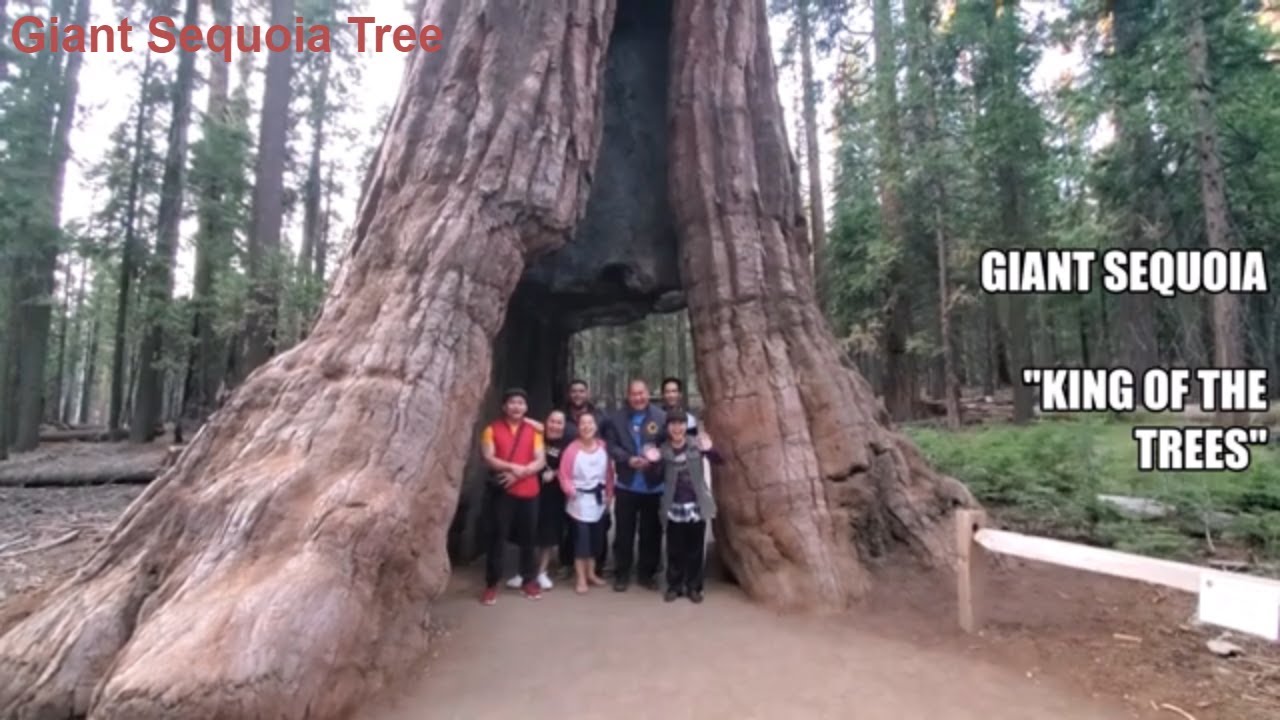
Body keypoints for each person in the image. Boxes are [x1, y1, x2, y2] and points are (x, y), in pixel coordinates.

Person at [478, 388, 546, 605]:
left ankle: (529, 580)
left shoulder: (534, 431)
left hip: (529, 491)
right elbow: (488, 457)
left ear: (526, 408)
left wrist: (521, 473)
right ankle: (491, 584)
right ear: (504, 407)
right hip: (502, 492)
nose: (516, 406)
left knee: (529, 538)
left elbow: (540, 460)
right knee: (497, 537)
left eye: (521, 403)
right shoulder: (492, 429)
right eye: (512, 403)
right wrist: (512, 467)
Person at [602, 379, 668, 592]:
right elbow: (611, 445)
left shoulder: (661, 417)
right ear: (628, 396)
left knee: (651, 532)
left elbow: (669, 444)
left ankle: (646, 574)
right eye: (634, 394)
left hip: (654, 485)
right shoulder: (616, 419)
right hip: (627, 484)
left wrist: (656, 457)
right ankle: (622, 573)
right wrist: (627, 459)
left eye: (642, 393)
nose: (638, 398)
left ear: (648, 393)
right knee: (624, 532)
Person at [658, 410, 722, 603]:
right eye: (672, 424)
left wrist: (710, 449)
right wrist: (651, 463)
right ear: (667, 427)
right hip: (673, 505)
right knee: (674, 549)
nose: (677, 428)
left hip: (696, 504)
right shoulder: (663, 449)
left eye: (681, 424)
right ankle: (674, 586)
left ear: (687, 426)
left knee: (695, 549)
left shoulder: (697, 445)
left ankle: (694, 587)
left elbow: (720, 460)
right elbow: (654, 476)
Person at [506, 409, 569, 591]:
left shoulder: (567, 443)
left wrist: (555, 473)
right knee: (526, 530)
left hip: (553, 493)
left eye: (559, 422)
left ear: (564, 426)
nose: (555, 426)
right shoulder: (534, 435)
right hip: (529, 488)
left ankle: (542, 572)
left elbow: (572, 465)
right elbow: (520, 418)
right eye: (552, 421)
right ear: (545, 422)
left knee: (548, 533)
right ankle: (523, 571)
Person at [557, 410, 615, 593]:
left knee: (595, 540)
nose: (587, 427)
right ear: (578, 427)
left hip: (598, 500)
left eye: (590, 423)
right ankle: (580, 577)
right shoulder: (571, 450)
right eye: (583, 423)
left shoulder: (604, 447)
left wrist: (609, 493)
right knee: (581, 542)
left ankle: (591, 573)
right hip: (579, 501)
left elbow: (609, 474)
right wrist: (570, 490)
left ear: (596, 426)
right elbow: (564, 474)